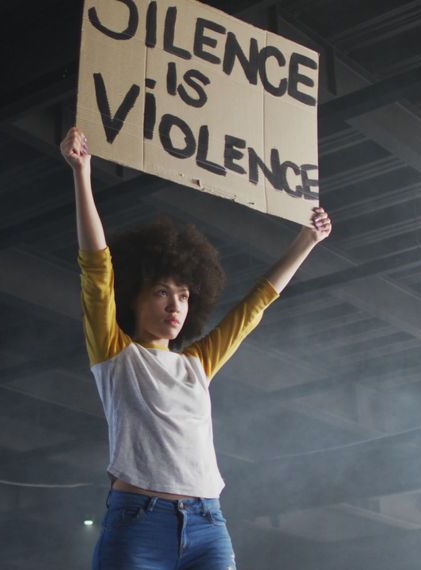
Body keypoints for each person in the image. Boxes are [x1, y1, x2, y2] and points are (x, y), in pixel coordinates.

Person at [61, 126, 332, 569]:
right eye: (162, 292)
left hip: (208, 524)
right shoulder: (115, 353)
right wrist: (81, 172)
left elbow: (254, 306)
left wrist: (307, 240)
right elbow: (96, 268)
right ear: (134, 296)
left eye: (185, 296)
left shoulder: (196, 364)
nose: (175, 306)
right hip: (138, 524)